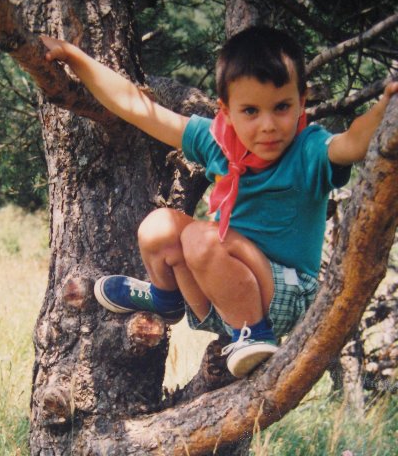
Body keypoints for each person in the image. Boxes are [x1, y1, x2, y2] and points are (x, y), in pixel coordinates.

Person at [41, 27, 398, 378]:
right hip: (219, 292)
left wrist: (384, 110)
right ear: (225, 111)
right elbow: (138, 109)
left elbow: (352, 142)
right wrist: (76, 57)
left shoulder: (309, 149)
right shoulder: (218, 143)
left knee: (200, 237)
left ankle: (254, 334)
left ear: (302, 100)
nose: (268, 125)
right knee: (158, 227)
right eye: (251, 111)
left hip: (286, 297)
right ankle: (167, 301)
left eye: (282, 107)